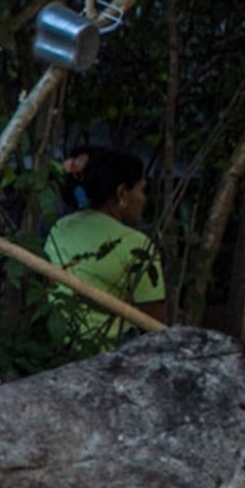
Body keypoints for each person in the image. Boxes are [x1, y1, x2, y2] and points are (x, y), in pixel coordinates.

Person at [44, 146, 168, 355]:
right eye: (141, 189)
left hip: (59, 346)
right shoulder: (136, 244)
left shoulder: (60, 227)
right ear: (122, 193)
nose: (144, 198)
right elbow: (154, 324)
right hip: (111, 356)